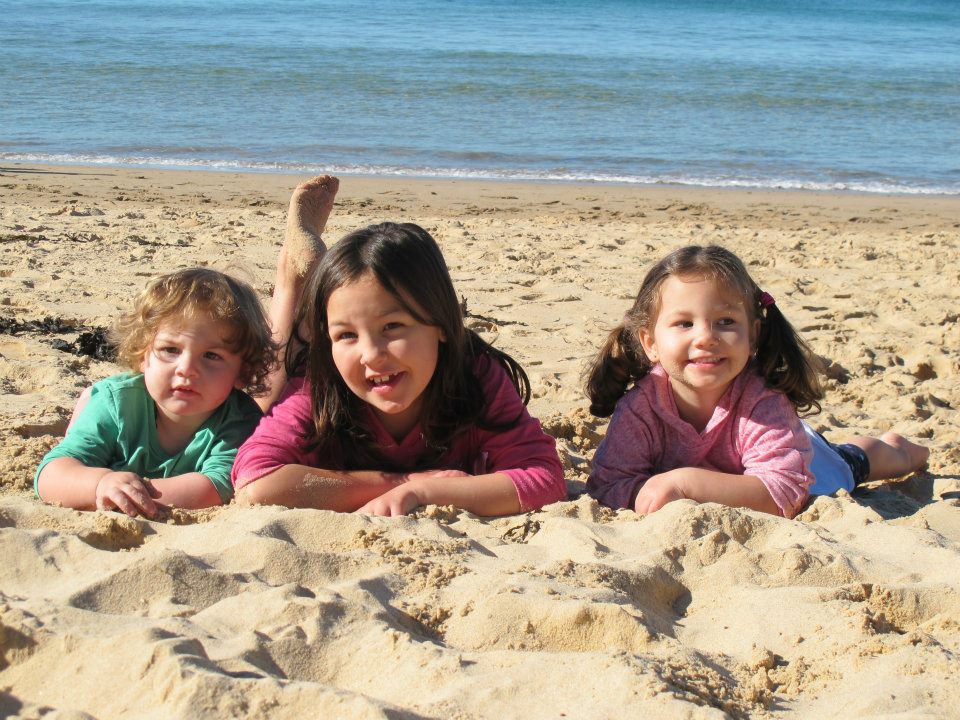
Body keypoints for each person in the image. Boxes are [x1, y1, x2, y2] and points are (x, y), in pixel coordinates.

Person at [233, 186, 566, 517]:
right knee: (268, 395)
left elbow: (545, 478)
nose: (371, 354)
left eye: (392, 326)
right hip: (309, 360)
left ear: (440, 323)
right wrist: (405, 481)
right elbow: (255, 482)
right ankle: (292, 279)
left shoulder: (475, 376)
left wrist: (424, 492)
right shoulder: (320, 382)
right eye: (346, 335)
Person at [584, 245, 928, 518]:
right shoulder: (642, 407)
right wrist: (641, 493)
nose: (706, 337)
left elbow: (785, 495)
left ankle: (901, 448)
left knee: (853, 462)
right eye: (684, 323)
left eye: (725, 321)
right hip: (764, 450)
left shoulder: (763, 401)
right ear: (650, 343)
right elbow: (607, 484)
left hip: (801, 458)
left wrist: (685, 484)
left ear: (753, 335)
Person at [35, 268, 277, 518]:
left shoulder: (240, 420)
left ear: (243, 371)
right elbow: (50, 474)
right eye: (171, 349)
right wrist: (100, 484)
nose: (186, 369)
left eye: (211, 356)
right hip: (111, 408)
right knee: (97, 405)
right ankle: (87, 403)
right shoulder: (118, 404)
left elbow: (214, 488)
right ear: (142, 354)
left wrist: (130, 494)